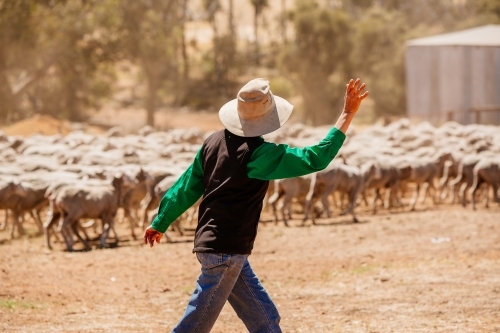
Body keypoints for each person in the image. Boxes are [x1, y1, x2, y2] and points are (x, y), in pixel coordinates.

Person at [144, 77, 369, 333]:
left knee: (265, 320)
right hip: (226, 252)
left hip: (218, 247)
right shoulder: (260, 154)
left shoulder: (212, 143)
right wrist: (348, 113)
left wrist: (159, 222)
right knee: (193, 327)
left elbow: (185, 187)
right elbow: (315, 158)